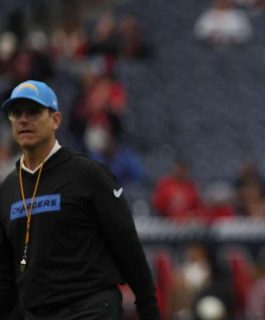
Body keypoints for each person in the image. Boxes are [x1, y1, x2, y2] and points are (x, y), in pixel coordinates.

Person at [0, 80, 159, 319]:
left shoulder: (87, 174)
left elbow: (126, 243)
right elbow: (5, 271)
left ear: (55, 120)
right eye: (16, 113)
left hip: (89, 308)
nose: (23, 119)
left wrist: (148, 307)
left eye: (33, 111)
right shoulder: (8, 189)